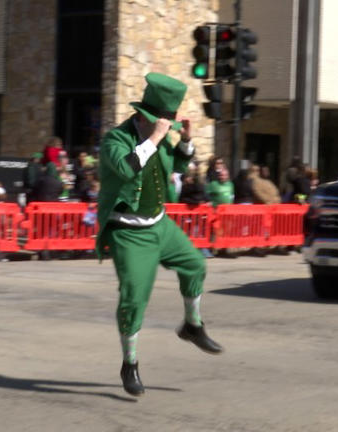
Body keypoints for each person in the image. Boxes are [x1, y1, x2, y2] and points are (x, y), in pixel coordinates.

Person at [96, 73, 223, 396]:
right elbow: (126, 169)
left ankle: (192, 325)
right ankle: (130, 363)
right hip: (129, 232)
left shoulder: (161, 138)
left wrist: (186, 141)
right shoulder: (115, 139)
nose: (166, 126)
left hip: (160, 224)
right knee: (134, 299)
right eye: (162, 121)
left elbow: (177, 167)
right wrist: (154, 138)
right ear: (145, 117)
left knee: (196, 265)